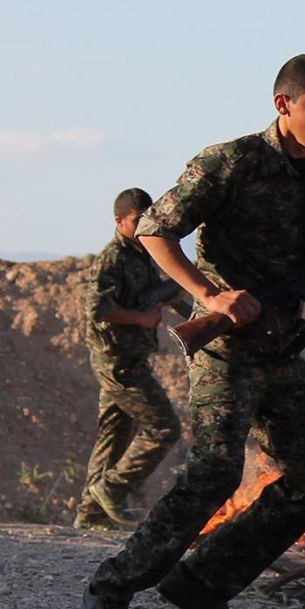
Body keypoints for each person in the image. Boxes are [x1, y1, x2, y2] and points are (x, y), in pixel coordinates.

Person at [80, 54, 305, 609]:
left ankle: (204, 583)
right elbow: (155, 230)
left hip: (280, 341)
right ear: (283, 104)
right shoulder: (231, 160)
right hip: (226, 348)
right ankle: (111, 588)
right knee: (217, 468)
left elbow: (300, 241)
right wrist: (209, 296)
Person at [74, 188, 184, 530]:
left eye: (146, 219)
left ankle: (90, 515)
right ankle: (110, 489)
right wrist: (142, 319)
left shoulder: (143, 252)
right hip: (117, 361)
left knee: (114, 435)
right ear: (119, 221)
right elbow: (98, 309)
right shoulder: (113, 258)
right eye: (136, 220)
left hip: (130, 358)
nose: (141, 226)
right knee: (165, 428)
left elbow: (153, 296)